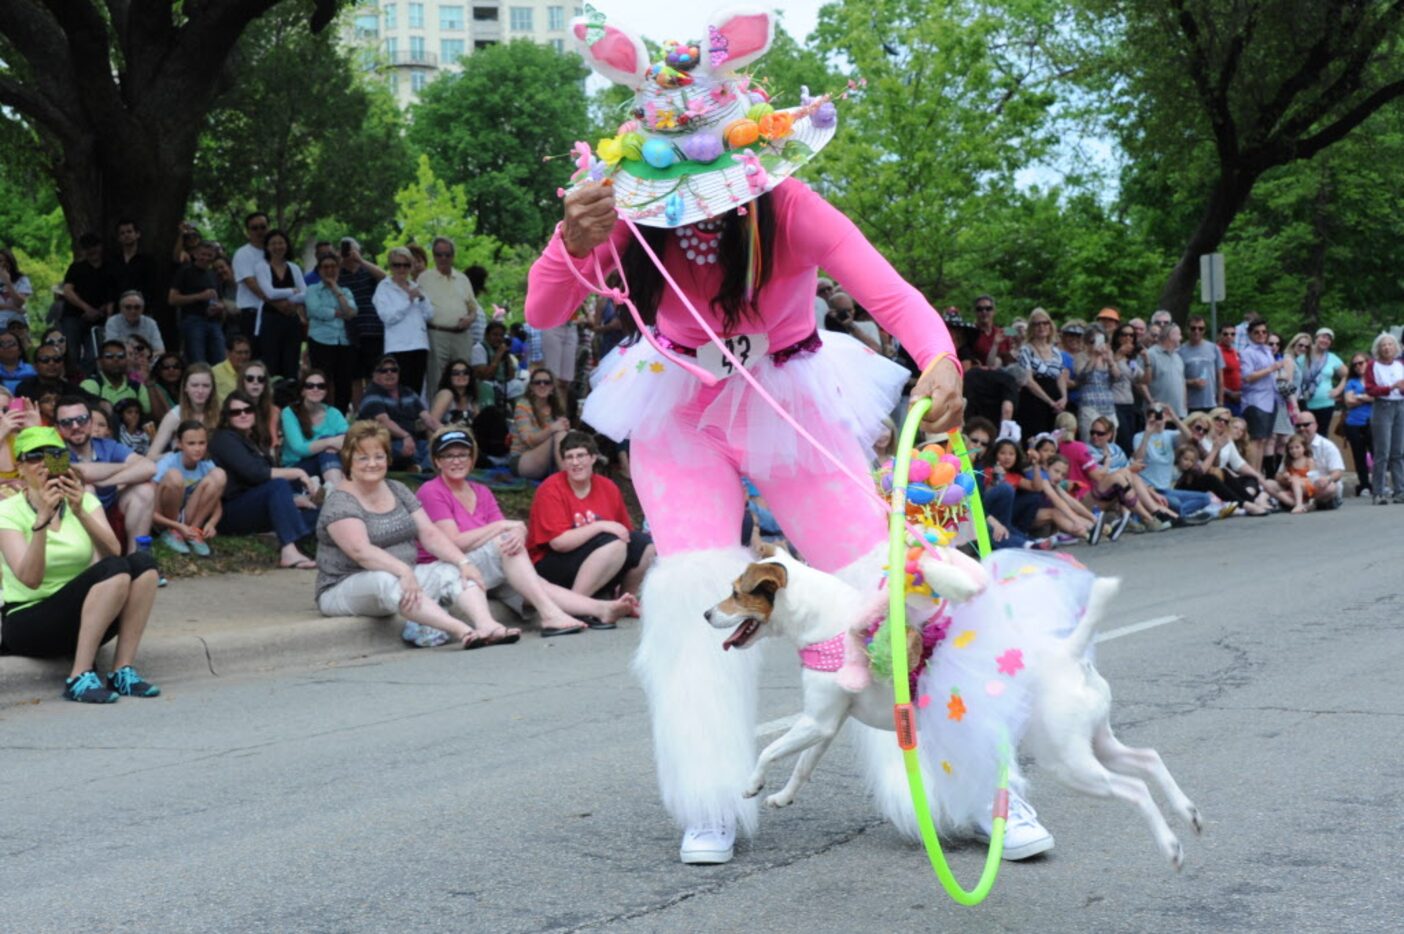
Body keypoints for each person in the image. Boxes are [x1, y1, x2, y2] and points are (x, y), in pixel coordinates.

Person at [532, 11, 1083, 868]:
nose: (694, 209)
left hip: (795, 398)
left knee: (888, 589)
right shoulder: (624, 215)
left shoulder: (790, 207)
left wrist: (940, 359)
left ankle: (976, 783)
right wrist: (570, 244)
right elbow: (544, 313)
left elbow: (896, 299)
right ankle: (711, 794)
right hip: (677, 411)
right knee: (693, 595)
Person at [418, 426, 639, 638]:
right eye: (448, 456)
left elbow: (509, 530)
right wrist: (504, 528)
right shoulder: (432, 491)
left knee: (537, 584)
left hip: (484, 566)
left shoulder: (481, 491)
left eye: (463, 454)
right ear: (437, 461)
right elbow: (454, 542)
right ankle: (550, 615)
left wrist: (517, 532)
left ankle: (602, 609)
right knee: (507, 545)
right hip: (450, 567)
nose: (457, 460)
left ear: (472, 457)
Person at [314, 420, 519, 648]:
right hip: (343, 586)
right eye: (363, 458)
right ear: (348, 461)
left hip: (404, 574)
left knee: (452, 571)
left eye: (379, 456)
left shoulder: (397, 489)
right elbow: (361, 551)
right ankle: (462, 630)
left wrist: (463, 562)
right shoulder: (339, 501)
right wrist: (403, 571)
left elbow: (429, 533)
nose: (372, 464)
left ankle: (487, 625)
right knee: (386, 580)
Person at [0, 426, 162, 703]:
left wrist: (79, 512)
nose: (45, 463)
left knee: (142, 565)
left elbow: (114, 552)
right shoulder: (7, 510)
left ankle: (122, 670)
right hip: (27, 619)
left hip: (83, 615)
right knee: (114, 571)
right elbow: (30, 579)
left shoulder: (84, 500)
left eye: (54, 455)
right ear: (20, 467)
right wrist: (41, 520)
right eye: (35, 456)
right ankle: (79, 676)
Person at [525, 430, 654, 599]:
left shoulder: (608, 487)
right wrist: (600, 525)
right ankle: (577, 605)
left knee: (645, 544)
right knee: (614, 544)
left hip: (599, 559)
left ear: (593, 458)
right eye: (569, 457)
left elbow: (626, 533)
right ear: (563, 462)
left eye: (581, 456)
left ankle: (625, 600)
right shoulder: (550, 489)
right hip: (551, 566)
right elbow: (558, 543)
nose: (575, 462)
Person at [208, 390, 317, 568]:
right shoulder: (223, 439)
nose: (243, 414)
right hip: (231, 511)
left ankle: (281, 530)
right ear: (227, 417)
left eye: (247, 409)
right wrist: (297, 472)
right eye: (236, 412)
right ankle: (289, 550)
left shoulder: (254, 438)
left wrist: (293, 499)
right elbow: (254, 473)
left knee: (318, 513)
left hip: (257, 504)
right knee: (279, 484)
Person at [56, 396, 156, 554]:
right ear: (58, 428)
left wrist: (107, 481)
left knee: (145, 490)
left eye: (81, 419)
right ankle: (100, 561)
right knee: (88, 490)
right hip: (76, 521)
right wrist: (124, 466)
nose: (75, 426)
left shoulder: (108, 445)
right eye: (66, 422)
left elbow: (149, 467)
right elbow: (82, 473)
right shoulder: (55, 450)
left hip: (111, 513)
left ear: (90, 422)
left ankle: (137, 558)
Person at [152, 420, 226, 556]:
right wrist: (177, 526)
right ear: (179, 444)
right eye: (191, 443)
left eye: (201, 443)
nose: (197, 448)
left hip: (188, 517)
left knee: (219, 474)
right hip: (165, 519)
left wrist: (212, 523)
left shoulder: (207, 464)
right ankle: (172, 532)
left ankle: (193, 532)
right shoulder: (168, 462)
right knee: (175, 476)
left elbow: (217, 505)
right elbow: (150, 510)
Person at [419, 237, 482, 392]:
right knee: (437, 379)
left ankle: (462, 413)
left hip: (462, 335)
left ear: (453, 256)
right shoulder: (424, 278)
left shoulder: (462, 278)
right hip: (436, 333)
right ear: (433, 256)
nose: (443, 258)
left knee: (463, 378)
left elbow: (473, 308)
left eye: (447, 254)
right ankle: (437, 415)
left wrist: (470, 318)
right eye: (439, 254)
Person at [357, 354, 438, 471]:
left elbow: (428, 419)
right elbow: (384, 421)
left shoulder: (408, 392)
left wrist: (447, 432)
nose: (389, 373)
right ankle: (423, 467)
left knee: (436, 447)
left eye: (393, 370)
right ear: (375, 375)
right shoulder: (371, 395)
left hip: (411, 440)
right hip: (382, 442)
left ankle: (419, 468)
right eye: (384, 370)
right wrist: (406, 436)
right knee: (406, 450)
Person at [374, 247, 432, 394]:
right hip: (398, 346)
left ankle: (414, 417)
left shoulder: (415, 286)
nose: (401, 269)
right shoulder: (384, 288)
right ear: (390, 266)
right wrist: (408, 301)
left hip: (419, 344)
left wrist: (422, 298)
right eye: (397, 265)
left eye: (406, 265)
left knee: (416, 389)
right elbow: (387, 317)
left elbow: (430, 315)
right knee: (398, 389)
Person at [303, 252, 358, 409]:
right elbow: (315, 310)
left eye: (333, 267)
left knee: (344, 385)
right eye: (325, 267)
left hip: (343, 341)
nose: (330, 270)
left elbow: (352, 312)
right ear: (319, 270)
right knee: (320, 383)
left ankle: (339, 419)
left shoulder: (345, 291)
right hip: (321, 340)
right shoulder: (313, 290)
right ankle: (320, 417)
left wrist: (335, 288)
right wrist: (339, 313)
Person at [336, 238, 388, 397]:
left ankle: (376, 406)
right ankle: (359, 413)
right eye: (345, 250)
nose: (348, 254)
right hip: (350, 332)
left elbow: (385, 277)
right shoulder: (339, 274)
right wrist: (339, 261)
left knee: (374, 373)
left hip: (373, 329)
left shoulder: (368, 270)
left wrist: (360, 260)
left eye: (351, 250)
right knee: (355, 376)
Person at [253, 229, 307, 381]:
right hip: (270, 320)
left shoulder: (294, 267)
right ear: (267, 247)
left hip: (291, 321)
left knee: (291, 364)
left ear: (287, 245)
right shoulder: (261, 266)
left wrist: (291, 301)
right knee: (270, 364)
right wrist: (292, 290)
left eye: (281, 243)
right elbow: (269, 293)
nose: (277, 247)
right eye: (273, 243)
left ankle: (289, 399)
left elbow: (305, 294)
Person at [59, 232, 118, 372]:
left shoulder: (112, 268)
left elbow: (114, 295)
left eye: (94, 246)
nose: (92, 250)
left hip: (99, 319)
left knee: (94, 355)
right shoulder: (76, 268)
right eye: (87, 248)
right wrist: (86, 308)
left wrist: (100, 312)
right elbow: (68, 291)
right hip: (73, 316)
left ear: (100, 247)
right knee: (71, 354)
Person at [280, 370, 347, 486]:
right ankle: (338, 494)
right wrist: (329, 442)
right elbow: (299, 449)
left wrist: (334, 445)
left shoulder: (333, 413)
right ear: (303, 391)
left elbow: (349, 439)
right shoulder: (289, 413)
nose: (315, 389)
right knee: (327, 448)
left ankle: (335, 492)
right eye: (310, 386)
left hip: (328, 466)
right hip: (296, 469)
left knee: (331, 453)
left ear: (326, 391)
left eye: (321, 386)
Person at [168, 239, 228, 365]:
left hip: (214, 322)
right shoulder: (185, 271)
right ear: (195, 254)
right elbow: (172, 299)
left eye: (209, 255)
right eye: (202, 254)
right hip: (193, 321)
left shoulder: (213, 275)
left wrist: (219, 307)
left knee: (221, 360)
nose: (205, 258)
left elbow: (221, 300)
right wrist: (199, 296)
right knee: (197, 360)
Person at [1362, 331, 1404, 503]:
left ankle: (1400, 490)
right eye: (1383, 345)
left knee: (1398, 451)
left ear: (1395, 347)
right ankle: (1378, 492)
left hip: (1400, 405)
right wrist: (1390, 387)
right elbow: (1370, 389)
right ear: (1378, 349)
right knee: (1382, 451)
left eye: (1390, 344)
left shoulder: (1400, 364)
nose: (1387, 348)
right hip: (1383, 406)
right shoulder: (1373, 365)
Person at [147, 363, 221, 459]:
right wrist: (178, 455)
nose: (200, 391)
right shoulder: (175, 416)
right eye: (194, 385)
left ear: (212, 389)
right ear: (186, 387)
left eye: (206, 386)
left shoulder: (221, 414)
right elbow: (151, 456)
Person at [1238, 318, 1284, 472]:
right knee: (1255, 441)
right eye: (1257, 332)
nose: (1261, 335)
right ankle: (1253, 475)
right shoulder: (1247, 353)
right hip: (1255, 401)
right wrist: (1271, 369)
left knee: (1263, 441)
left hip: (1270, 400)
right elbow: (1248, 377)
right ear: (1250, 334)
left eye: (1264, 332)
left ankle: (1257, 476)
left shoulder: (1267, 350)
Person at [510, 365, 570, 480]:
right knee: (558, 433)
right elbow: (529, 441)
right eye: (538, 382)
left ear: (552, 387)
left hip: (548, 460)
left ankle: (570, 473)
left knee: (568, 433)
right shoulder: (523, 405)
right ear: (531, 387)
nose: (542, 385)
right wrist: (553, 428)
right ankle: (568, 478)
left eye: (546, 382)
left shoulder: (556, 408)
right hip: (522, 459)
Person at [1015, 307, 1067, 437]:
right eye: (1037, 324)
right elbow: (1028, 380)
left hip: (1055, 399)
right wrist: (1049, 401)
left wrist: (1064, 397)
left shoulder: (1055, 351)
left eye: (1045, 323)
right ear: (1031, 327)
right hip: (1035, 400)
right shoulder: (1025, 350)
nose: (1041, 327)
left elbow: (1060, 376)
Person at [1296, 327, 1347, 436]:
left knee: (1322, 434)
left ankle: (1321, 454)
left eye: (1329, 339)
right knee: (1305, 434)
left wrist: (1338, 389)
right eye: (1323, 337)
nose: (1325, 341)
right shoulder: (1303, 356)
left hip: (1326, 403)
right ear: (1316, 338)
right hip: (1305, 403)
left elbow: (1347, 375)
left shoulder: (1332, 358)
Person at [232, 212, 272, 347]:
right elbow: (252, 284)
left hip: (274, 313)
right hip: (252, 314)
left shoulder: (275, 252)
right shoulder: (243, 253)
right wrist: (276, 301)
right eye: (254, 228)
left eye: (263, 227)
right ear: (248, 231)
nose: (259, 231)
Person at [1341, 353, 1374, 497]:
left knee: (1377, 454)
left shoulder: (1375, 379)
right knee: (1358, 455)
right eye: (1355, 364)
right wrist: (1367, 397)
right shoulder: (1351, 382)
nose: (1358, 366)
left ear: (1368, 362)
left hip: (1372, 422)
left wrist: (1359, 396)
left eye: (1361, 363)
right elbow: (1348, 401)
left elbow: (1377, 396)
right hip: (1353, 423)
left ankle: (1379, 484)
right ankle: (1364, 485)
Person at [1178, 314, 1223, 413]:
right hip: (1190, 404)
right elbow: (1176, 379)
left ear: (1204, 330)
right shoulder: (1180, 351)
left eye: (1200, 328)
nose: (1197, 331)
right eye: (1193, 328)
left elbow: (1220, 377)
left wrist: (1220, 402)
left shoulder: (1214, 348)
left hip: (1211, 403)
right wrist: (1192, 382)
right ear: (1187, 330)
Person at [239, 359, 281, 456]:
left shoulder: (273, 411)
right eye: (250, 378)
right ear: (242, 382)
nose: (255, 382)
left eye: (260, 379)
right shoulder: (235, 410)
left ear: (265, 384)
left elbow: (274, 446)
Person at [1145, 323, 1188, 418]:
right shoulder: (1150, 355)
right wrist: (1150, 401)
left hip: (1179, 414)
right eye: (1179, 334)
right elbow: (1140, 382)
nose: (1181, 337)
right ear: (1171, 336)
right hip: (1158, 415)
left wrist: (1184, 405)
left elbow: (1182, 382)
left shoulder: (1178, 357)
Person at [104, 291, 165, 355]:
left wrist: (147, 357)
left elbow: (160, 350)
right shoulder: (113, 322)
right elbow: (111, 349)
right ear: (121, 308)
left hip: (146, 361)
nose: (133, 311)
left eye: (137, 307)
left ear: (142, 308)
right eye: (128, 307)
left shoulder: (151, 323)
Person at [1274, 433, 1318, 514]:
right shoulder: (1288, 461)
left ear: (1304, 448)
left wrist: (1297, 479)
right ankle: (1304, 505)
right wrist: (1285, 476)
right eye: (1291, 448)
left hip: (1307, 488)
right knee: (1280, 494)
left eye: (1297, 447)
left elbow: (1313, 478)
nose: (1294, 450)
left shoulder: (1308, 460)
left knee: (1295, 479)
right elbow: (1279, 476)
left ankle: (1298, 505)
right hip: (1293, 488)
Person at [428, 358, 478, 428]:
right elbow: (431, 424)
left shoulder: (471, 398)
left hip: (467, 437)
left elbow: (480, 426)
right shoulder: (446, 394)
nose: (461, 375)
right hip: (447, 437)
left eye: (466, 372)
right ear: (449, 377)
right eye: (456, 373)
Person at [0, 247, 34, 330]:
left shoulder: (21, 279)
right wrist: (13, 308)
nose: (2, 264)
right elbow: (17, 307)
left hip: (16, 324)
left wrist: (8, 282)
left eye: (4, 261)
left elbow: (19, 302)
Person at [212, 335, 252, 404]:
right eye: (239, 353)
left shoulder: (254, 372)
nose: (244, 356)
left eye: (246, 352)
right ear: (227, 353)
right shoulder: (215, 372)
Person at [147, 353, 184, 426]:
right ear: (159, 371)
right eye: (166, 367)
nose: (171, 370)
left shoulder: (188, 387)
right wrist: (151, 385)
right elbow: (159, 417)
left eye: (176, 367)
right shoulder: (154, 387)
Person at [1218, 322, 1242, 414]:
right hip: (1225, 399)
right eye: (1225, 334)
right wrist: (1229, 393)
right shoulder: (1217, 351)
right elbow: (1213, 378)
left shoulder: (1235, 352)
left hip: (1238, 399)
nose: (1229, 336)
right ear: (1220, 335)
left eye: (1232, 334)